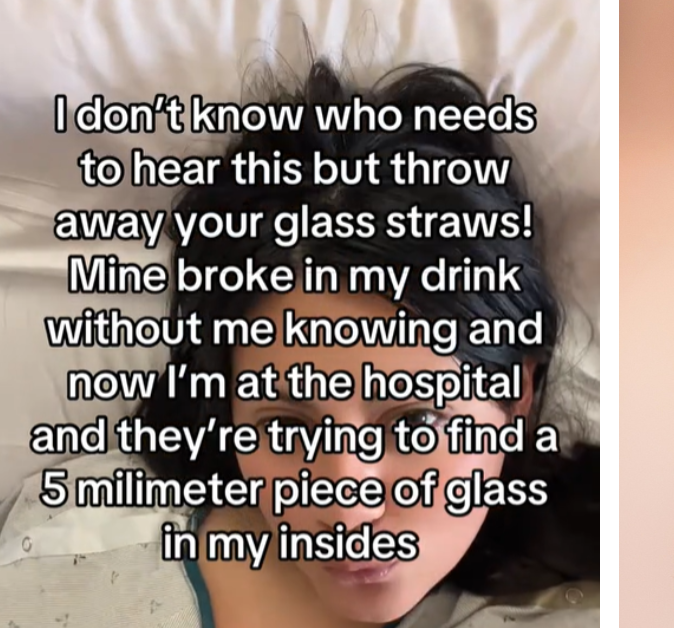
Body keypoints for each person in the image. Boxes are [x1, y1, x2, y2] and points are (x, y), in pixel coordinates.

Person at [0, 60, 599, 628]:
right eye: (286, 427)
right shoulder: (63, 560)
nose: (346, 513)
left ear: (515, 392)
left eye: (414, 422)